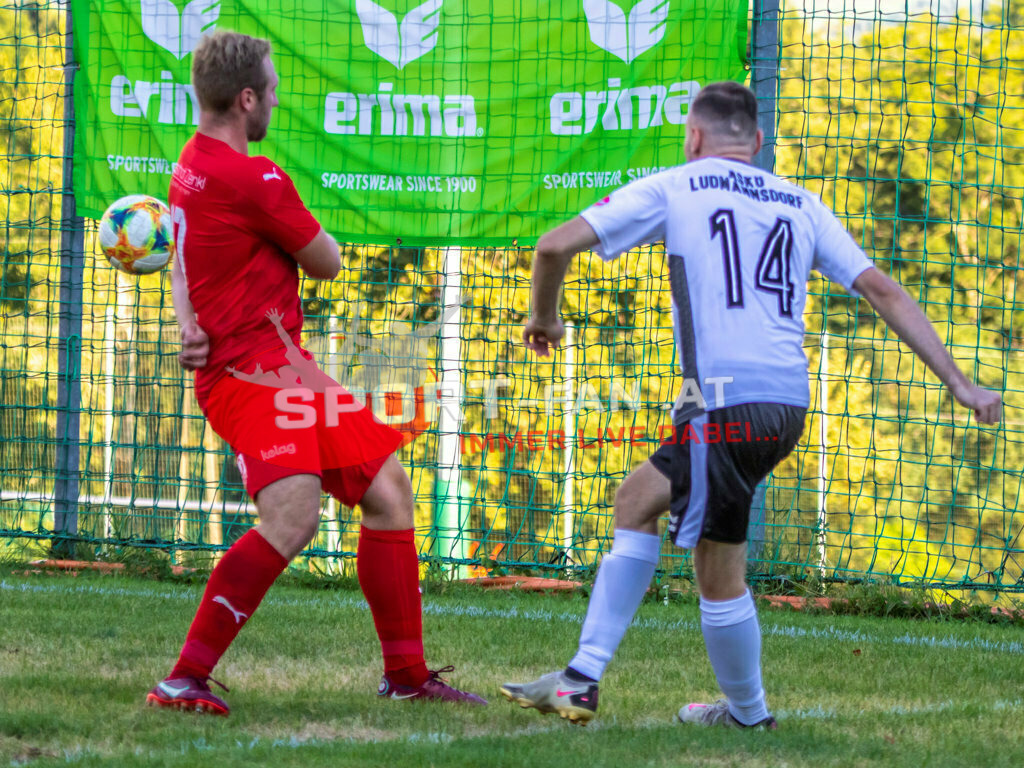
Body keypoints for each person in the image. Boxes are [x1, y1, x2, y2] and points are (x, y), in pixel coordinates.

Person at [502, 81, 1002, 728]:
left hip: (721, 404)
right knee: (642, 503)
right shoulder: (801, 202)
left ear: (693, 137)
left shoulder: (676, 184)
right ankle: (615, 683)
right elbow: (880, 288)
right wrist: (959, 383)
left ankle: (670, 699)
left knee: (717, 570)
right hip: (784, 405)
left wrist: (545, 317)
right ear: (758, 143)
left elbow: (551, 245)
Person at [146, 30, 486, 715]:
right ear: (247, 100)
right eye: (270, 90)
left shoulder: (191, 161)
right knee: (292, 516)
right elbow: (326, 260)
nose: (275, 98)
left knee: (389, 489)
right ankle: (182, 678)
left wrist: (189, 322)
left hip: (283, 370)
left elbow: (181, 257)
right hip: (250, 378)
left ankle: (408, 677)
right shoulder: (255, 177)